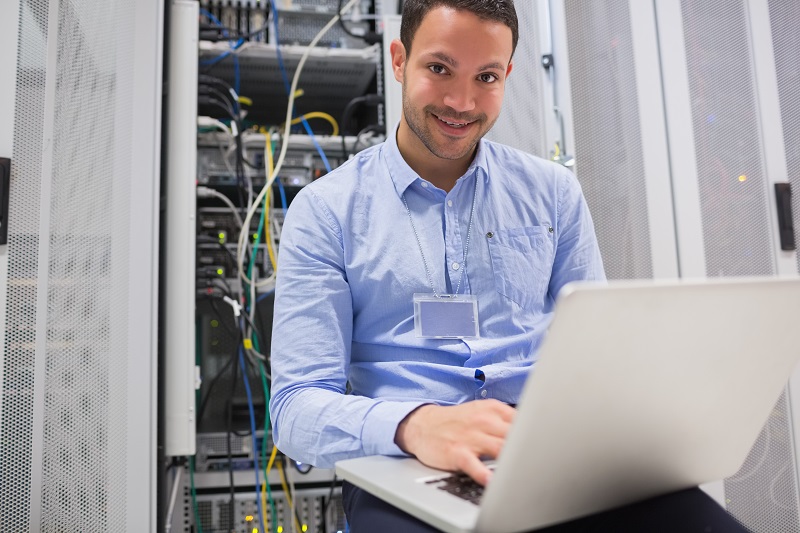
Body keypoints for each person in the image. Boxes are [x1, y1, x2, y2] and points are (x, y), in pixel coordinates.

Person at [269, 1, 751, 531]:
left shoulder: (552, 193)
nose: (461, 101)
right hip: (406, 463)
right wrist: (414, 425)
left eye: (486, 77)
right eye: (439, 68)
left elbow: (596, 360)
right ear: (400, 59)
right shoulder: (326, 211)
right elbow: (294, 409)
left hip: (549, 454)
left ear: (508, 75)